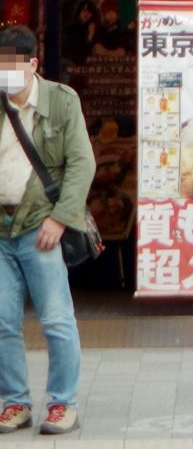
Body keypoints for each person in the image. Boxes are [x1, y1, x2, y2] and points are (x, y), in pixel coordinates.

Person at [0, 27, 89, 435]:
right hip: (1, 228)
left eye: (10, 66)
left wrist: (60, 218)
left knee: (56, 320)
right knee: (2, 322)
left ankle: (62, 403)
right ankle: (14, 402)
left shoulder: (61, 100)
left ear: (32, 64)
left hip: (41, 226)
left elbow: (81, 164)